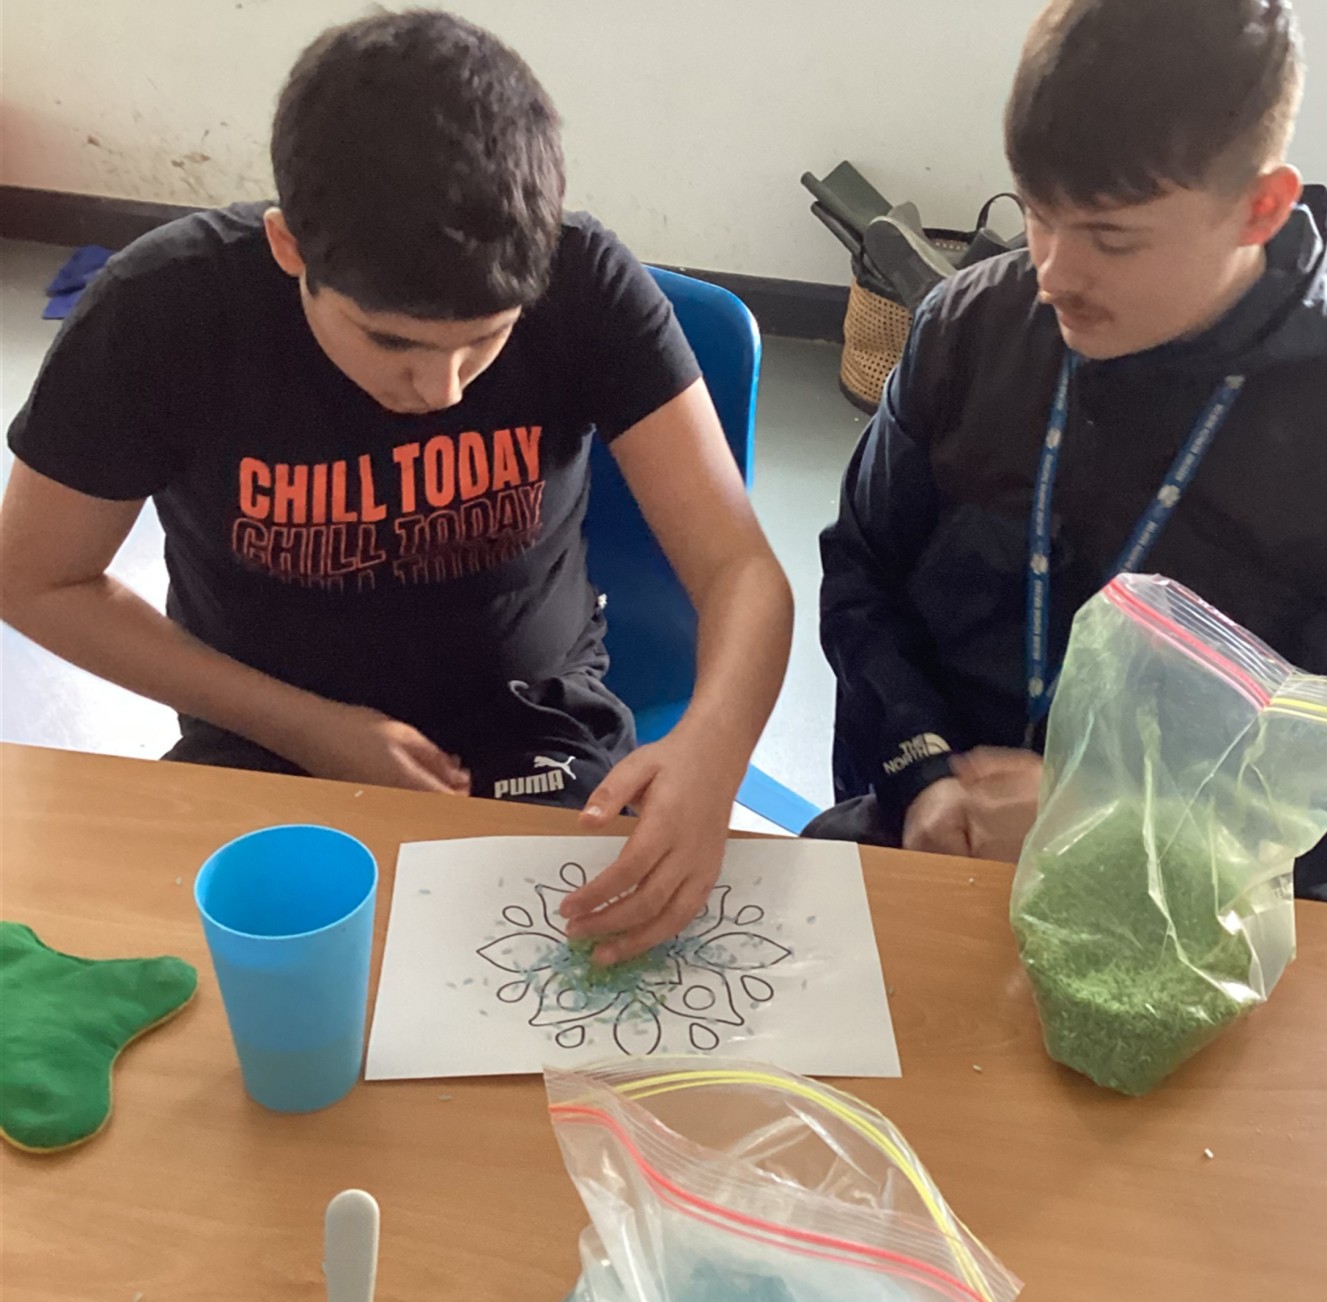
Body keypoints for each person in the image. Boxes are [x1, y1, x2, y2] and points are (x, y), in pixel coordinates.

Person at [0, 11, 793, 961]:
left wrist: (715, 751)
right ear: (290, 247)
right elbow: (34, 577)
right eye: (391, 341)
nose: (443, 389)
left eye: (486, 338)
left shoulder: (586, 284)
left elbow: (741, 569)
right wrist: (308, 728)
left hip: (533, 728)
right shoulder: (163, 313)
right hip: (264, 737)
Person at [811, 0, 1327, 918]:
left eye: (1111, 238)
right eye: (1039, 214)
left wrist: (1105, 825)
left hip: (1224, 900)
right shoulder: (969, 327)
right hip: (958, 833)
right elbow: (862, 574)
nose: (1052, 273)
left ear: (1260, 208)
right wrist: (922, 768)